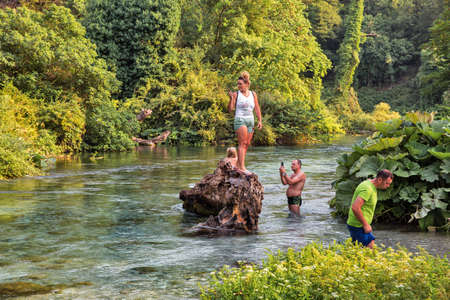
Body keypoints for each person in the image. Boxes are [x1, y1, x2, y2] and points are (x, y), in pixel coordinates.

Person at [347, 169, 393, 249]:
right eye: (387, 183)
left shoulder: (370, 184)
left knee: (357, 250)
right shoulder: (368, 189)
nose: (388, 186)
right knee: (370, 247)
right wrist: (365, 224)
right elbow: (355, 207)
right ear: (379, 179)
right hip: (358, 225)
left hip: (356, 224)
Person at [228, 71, 262, 174]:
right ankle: (242, 167)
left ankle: (239, 164)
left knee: (247, 143)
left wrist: (260, 120)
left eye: (240, 84)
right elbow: (230, 109)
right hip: (240, 120)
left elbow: (256, 107)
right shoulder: (236, 94)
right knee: (242, 143)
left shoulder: (253, 94)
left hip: (250, 121)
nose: (238, 86)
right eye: (237, 84)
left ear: (247, 84)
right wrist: (231, 99)